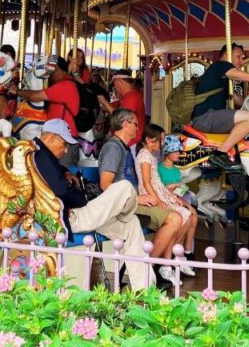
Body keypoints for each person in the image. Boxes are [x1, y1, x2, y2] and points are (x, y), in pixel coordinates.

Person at [32, 118, 156, 290]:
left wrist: (66, 172)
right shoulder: (39, 154)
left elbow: (55, 176)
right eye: (64, 144)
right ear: (52, 137)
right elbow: (61, 190)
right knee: (125, 188)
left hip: (77, 213)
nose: (66, 150)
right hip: (72, 215)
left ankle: (145, 290)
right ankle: (123, 212)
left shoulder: (42, 154)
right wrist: (82, 199)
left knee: (131, 224)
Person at [98, 108, 182, 287]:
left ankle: (154, 269)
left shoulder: (125, 149)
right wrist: (138, 197)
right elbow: (105, 185)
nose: (138, 128)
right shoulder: (113, 148)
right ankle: (149, 269)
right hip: (123, 205)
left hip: (133, 201)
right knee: (175, 218)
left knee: (179, 215)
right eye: (136, 124)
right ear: (125, 124)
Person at [190, 43, 249, 171]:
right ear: (227, 55)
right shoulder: (220, 66)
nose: (241, 61)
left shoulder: (221, 78)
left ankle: (239, 158)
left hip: (210, 117)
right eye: (239, 57)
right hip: (206, 117)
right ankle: (219, 154)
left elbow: (239, 101)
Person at [136, 125, 197, 281]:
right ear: (150, 140)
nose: (163, 143)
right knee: (179, 216)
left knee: (187, 215)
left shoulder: (151, 156)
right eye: (161, 139)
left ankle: (168, 261)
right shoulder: (144, 156)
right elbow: (146, 181)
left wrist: (170, 196)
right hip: (151, 194)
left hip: (159, 191)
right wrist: (156, 199)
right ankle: (164, 263)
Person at [15, 55, 80, 141]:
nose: (50, 76)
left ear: (55, 68)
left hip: (64, 138)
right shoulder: (64, 83)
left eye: (50, 72)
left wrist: (17, 91)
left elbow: (33, 96)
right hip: (57, 135)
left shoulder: (65, 86)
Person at [97, 69, 147, 146]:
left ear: (119, 82)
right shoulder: (126, 97)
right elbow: (111, 107)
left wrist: (104, 101)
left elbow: (121, 117)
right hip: (128, 141)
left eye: (115, 84)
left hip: (131, 141)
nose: (115, 88)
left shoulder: (131, 97)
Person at [158, 135, 196, 207]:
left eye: (178, 151)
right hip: (164, 201)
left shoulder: (176, 170)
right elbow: (157, 189)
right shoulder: (158, 169)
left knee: (192, 198)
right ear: (167, 151)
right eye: (175, 151)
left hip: (177, 200)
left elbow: (181, 189)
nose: (178, 153)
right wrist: (172, 186)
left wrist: (179, 188)